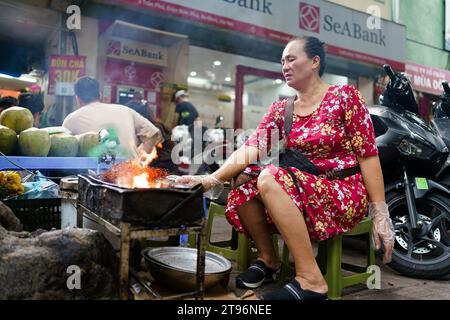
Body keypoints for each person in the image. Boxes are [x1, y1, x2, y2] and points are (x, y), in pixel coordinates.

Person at [177, 36, 395, 300]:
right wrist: (211, 178)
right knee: (243, 180)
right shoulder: (283, 109)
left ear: (315, 62)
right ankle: (269, 260)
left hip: (343, 191)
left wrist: (380, 212)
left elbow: (368, 156)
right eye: (282, 61)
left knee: (270, 178)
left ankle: (311, 280)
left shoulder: (345, 97)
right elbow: (252, 147)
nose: (285, 66)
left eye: (291, 59)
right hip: (302, 186)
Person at [63, 76, 163, 157]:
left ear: (77, 98)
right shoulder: (125, 110)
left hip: (93, 178)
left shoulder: (71, 119)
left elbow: (63, 150)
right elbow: (153, 134)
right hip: (131, 175)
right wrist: (138, 159)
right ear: (100, 94)